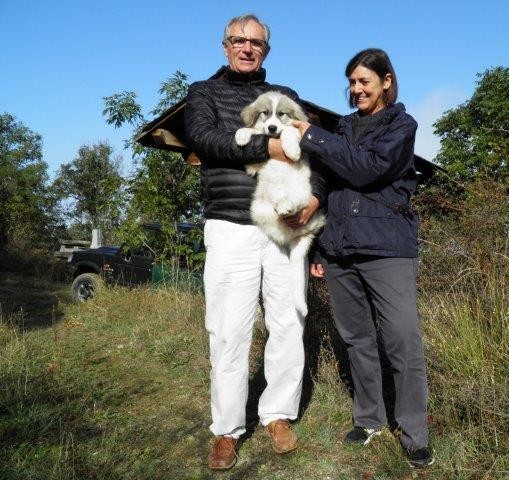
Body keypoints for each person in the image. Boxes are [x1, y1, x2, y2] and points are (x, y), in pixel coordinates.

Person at [184, 14, 324, 471]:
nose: (247, 48)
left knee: (288, 319)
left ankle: (278, 414)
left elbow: (316, 148)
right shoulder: (203, 94)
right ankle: (227, 428)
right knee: (228, 329)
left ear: (266, 50)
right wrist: (272, 147)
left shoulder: (288, 97)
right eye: (239, 41)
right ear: (225, 45)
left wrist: (315, 196)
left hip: (284, 226)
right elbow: (206, 139)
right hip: (230, 225)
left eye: (256, 43)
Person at [291, 48, 434, 468]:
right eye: (351, 82)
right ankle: (369, 418)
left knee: (402, 341)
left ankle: (414, 433)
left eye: (364, 81)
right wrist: (319, 246)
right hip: (339, 250)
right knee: (356, 339)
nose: (356, 90)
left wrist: (313, 136)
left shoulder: (401, 126)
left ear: (386, 81)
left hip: (387, 249)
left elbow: (366, 170)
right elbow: (325, 186)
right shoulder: (340, 127)